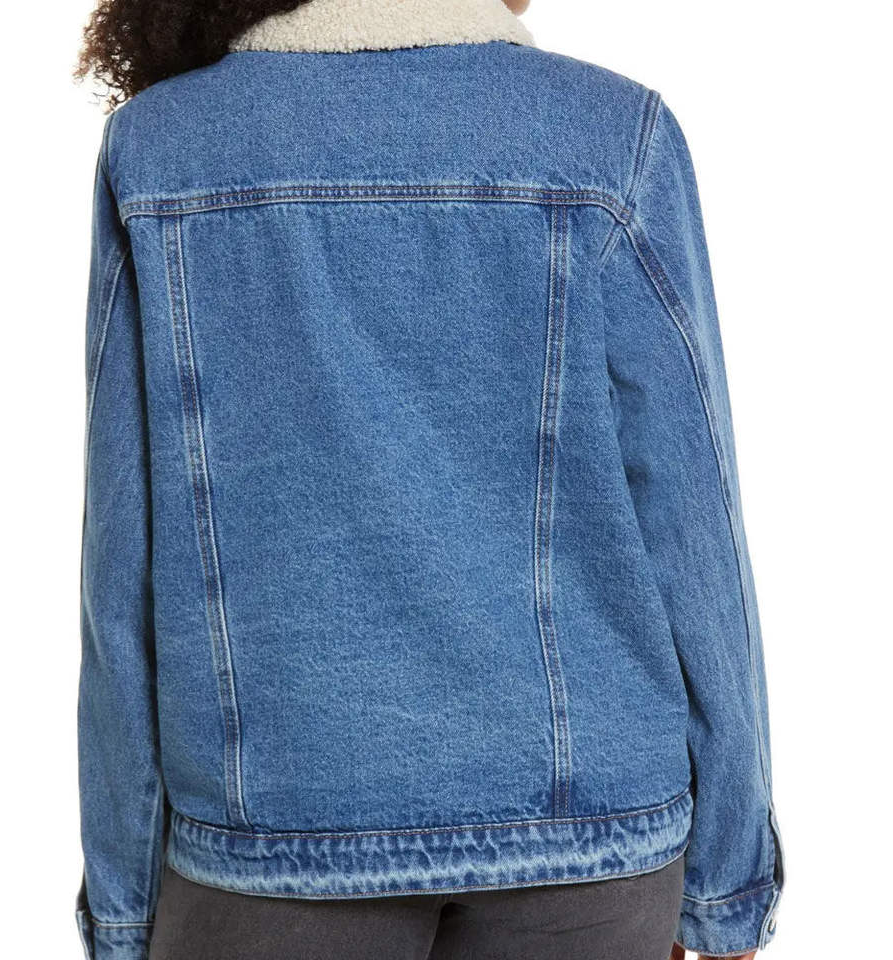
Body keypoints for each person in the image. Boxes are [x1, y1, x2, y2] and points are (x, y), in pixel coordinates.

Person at [73, 1, 784, 958]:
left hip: (267, 827)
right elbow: (694, 523)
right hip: (589, 832)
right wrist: (729, 881)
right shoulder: (613, 138)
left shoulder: (163, 150)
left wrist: (123, 903)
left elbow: (122, 561)